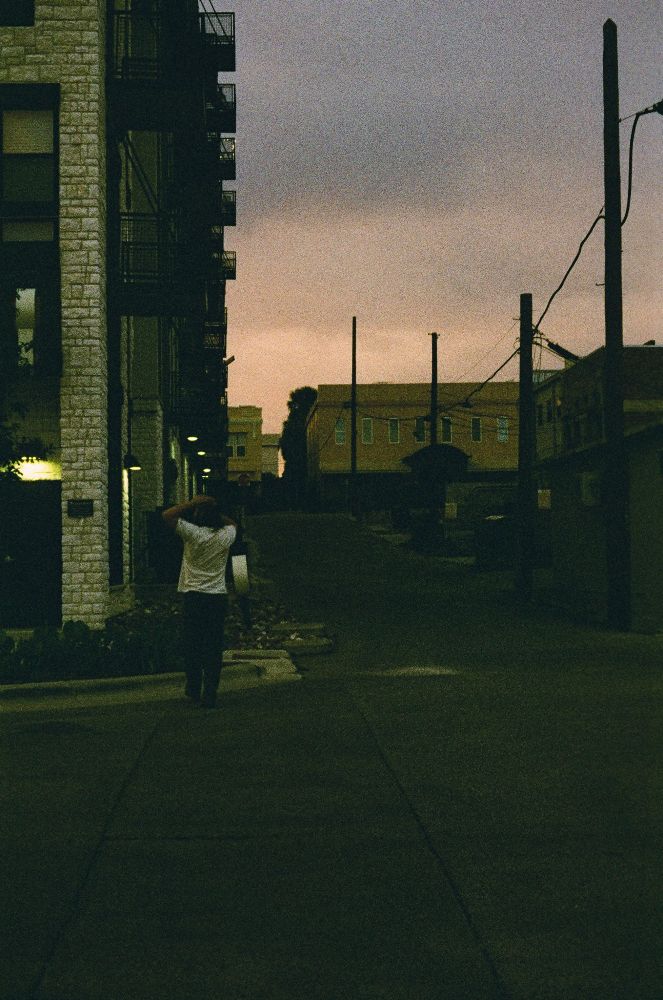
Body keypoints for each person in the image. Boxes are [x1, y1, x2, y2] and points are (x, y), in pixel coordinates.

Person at [162, 495, 237, 708]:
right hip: (216, 597)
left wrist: (193, 504)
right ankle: (210, 691)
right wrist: (214, 509)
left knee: (192, 644)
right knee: (213, 646)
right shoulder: (225, 535)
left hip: (194, 596)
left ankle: (193, 686)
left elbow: (167, 515)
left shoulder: (193, 534)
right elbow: (233, 524)